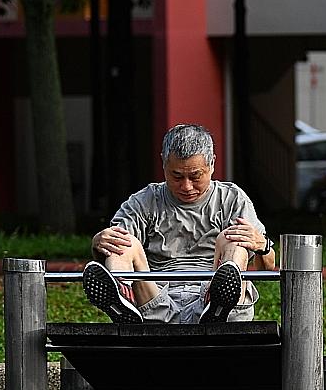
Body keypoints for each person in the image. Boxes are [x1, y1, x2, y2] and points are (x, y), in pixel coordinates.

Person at [83, 123, 273, 325]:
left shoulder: (232, 198)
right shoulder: (145, 201)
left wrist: (263, 245)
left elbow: (267, 268)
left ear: (212, 165)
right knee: (122, 240)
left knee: (233, 237)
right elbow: (113, 250)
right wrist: (99, 243)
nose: (186, 186)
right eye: (177, 176)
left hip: (210, 299)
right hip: (155, 300)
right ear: (164, 164)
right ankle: (122, 297)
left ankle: (219, 305)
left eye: (195, 176)